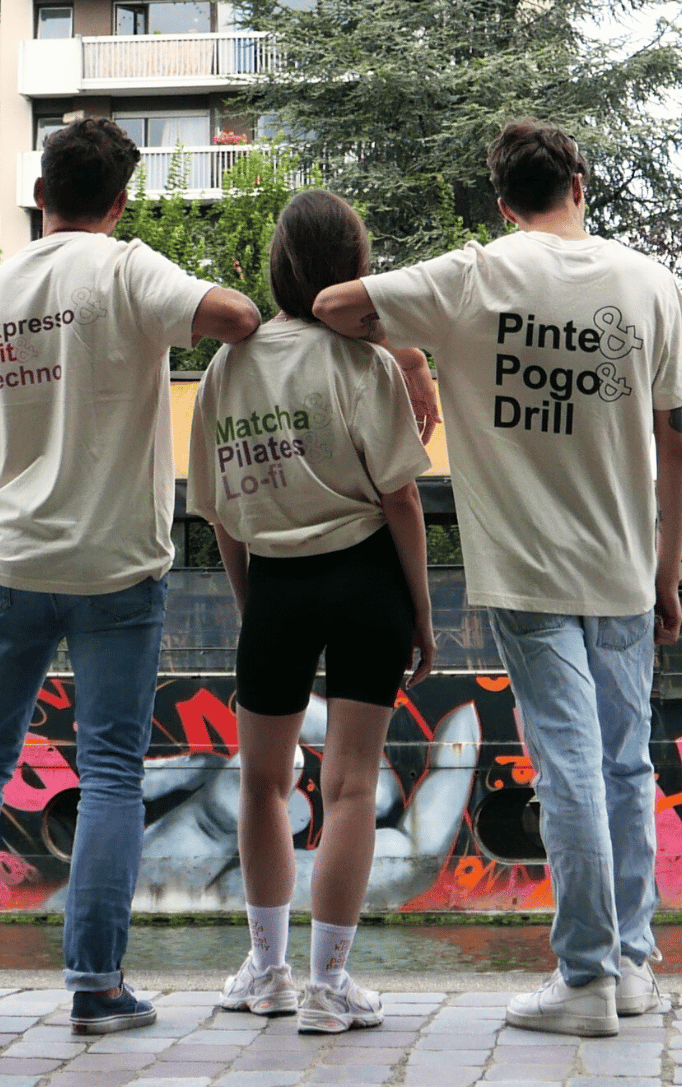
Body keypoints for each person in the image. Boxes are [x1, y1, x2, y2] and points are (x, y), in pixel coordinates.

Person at [312, 118, 682, 1037]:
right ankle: (633, 966)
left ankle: (587, 976)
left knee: (569, 769)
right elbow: (676, 443)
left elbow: (332, 304)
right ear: (579, 186)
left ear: (504, 202)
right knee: (625, 764)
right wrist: (670, 570)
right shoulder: (652, 284)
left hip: (525, 571)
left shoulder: (473, 276)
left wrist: (409, 351)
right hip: (625, 566)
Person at [0, 117, 260, 1035]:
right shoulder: (128, 270)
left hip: (13, 565)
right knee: (108, 771)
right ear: (120, 203)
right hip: (117, 569)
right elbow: (238, 318)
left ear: (39, 196)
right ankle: (96, 987)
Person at [187, 190, 436, 1033]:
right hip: (368, 580)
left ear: (278, 265)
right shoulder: (365, 364)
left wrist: (252, 602)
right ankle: (330, 986)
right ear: (353, 265)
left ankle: (268, 972)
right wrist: (422, 614)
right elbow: (401, 497)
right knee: (353, 785)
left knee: (262, 782)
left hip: (277, 584)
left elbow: (221, 515)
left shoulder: (227, 368)